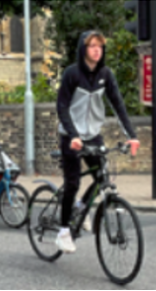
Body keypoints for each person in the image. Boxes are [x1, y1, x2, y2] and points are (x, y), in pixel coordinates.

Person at [55, 30, 140, 254]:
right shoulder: (72, 74)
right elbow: (62, 106)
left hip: (92, 133)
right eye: (92, 46)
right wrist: (72, 135)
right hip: (70, 135)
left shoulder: (106, 74)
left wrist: (132, 135)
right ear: (83, 49)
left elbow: (118, 105)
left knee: (102, 175)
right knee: (72, 183)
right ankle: (63, 232)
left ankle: (81, 207)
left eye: (100, 46)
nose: (96, 50)